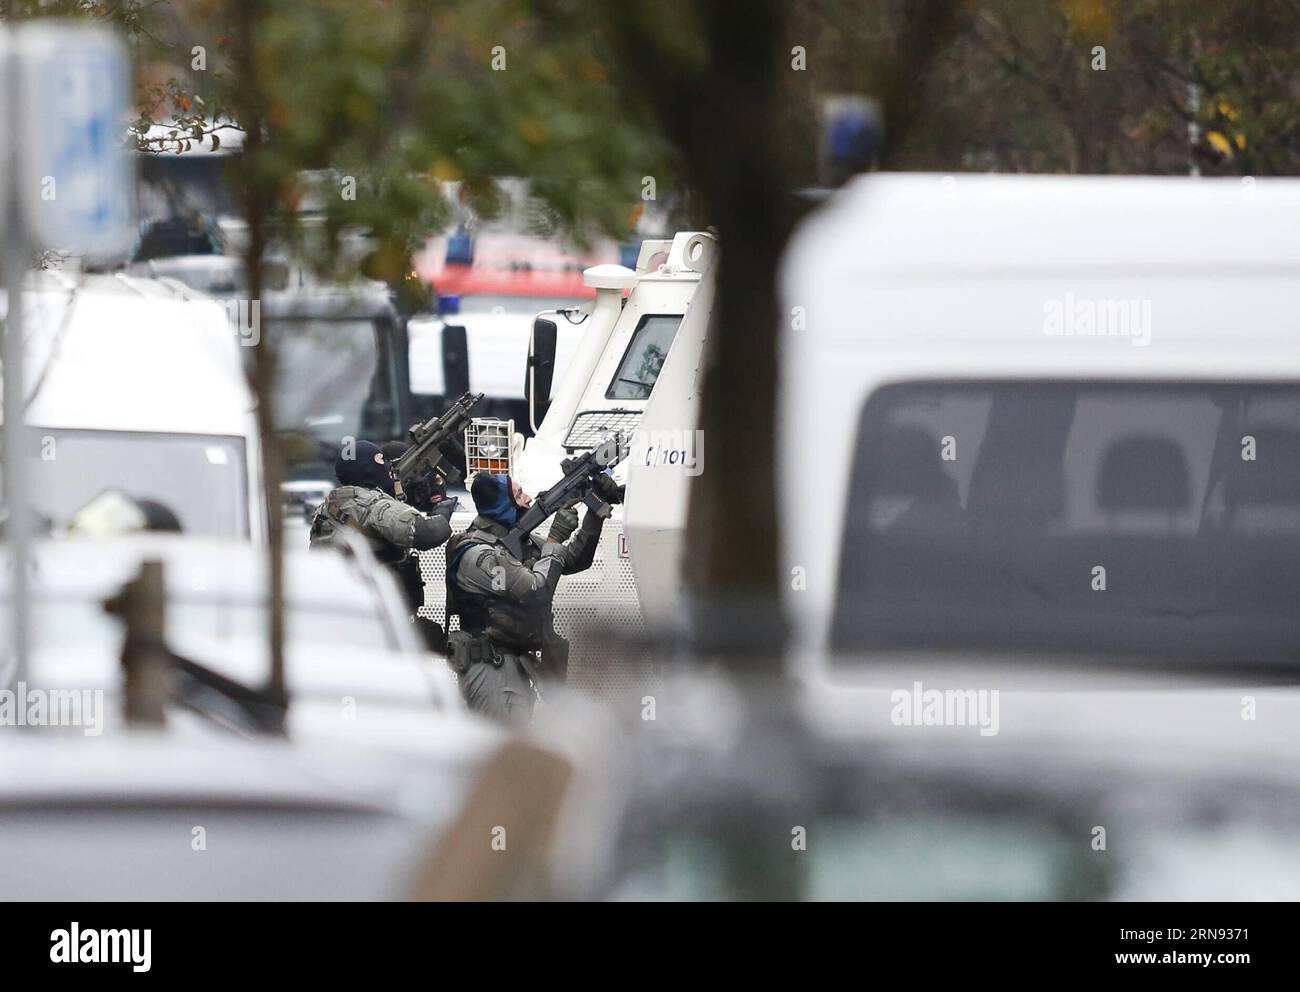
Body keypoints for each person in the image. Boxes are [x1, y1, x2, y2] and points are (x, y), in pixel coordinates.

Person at [445, 472, 605, 723]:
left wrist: (595, 510)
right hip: (492, 670)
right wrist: (554, 538)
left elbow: (573, 559)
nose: (528, 499)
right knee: (504, 751)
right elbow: (536, 593)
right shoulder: (479, 555)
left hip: (514, 665)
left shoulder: (513, 543)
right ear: (501, 505)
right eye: (519, 494)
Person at [309, 441, 452, 628]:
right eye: (380, 461)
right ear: (367, 469)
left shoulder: (329, 506)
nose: (387, 467)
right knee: (432, 635)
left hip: (339, 611)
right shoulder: (371, 503)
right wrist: (443, 511)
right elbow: (428, 534)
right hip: (376, 616)